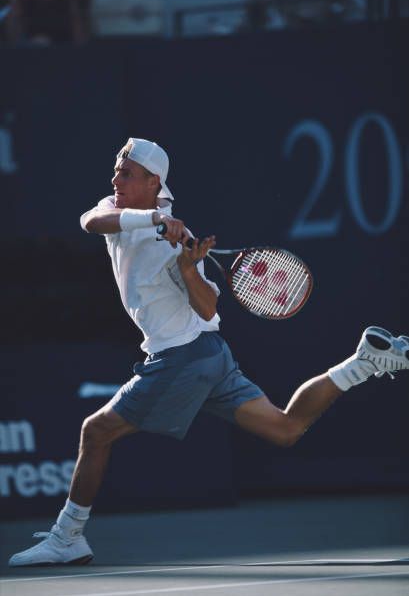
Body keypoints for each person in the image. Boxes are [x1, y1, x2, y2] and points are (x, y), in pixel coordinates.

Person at [8, 137, 409, 566]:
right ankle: (362, 362)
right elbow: (92, 221)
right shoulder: (123, 210)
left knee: (96, 431)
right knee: (286, 428)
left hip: (182, 358)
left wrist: (185, 266)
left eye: (126, 173)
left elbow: (207, 306)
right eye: (117, 170)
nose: (115, 178)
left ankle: (67, 537)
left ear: (153, 180)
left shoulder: (182, 242)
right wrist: (155, 219)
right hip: (209, 357)